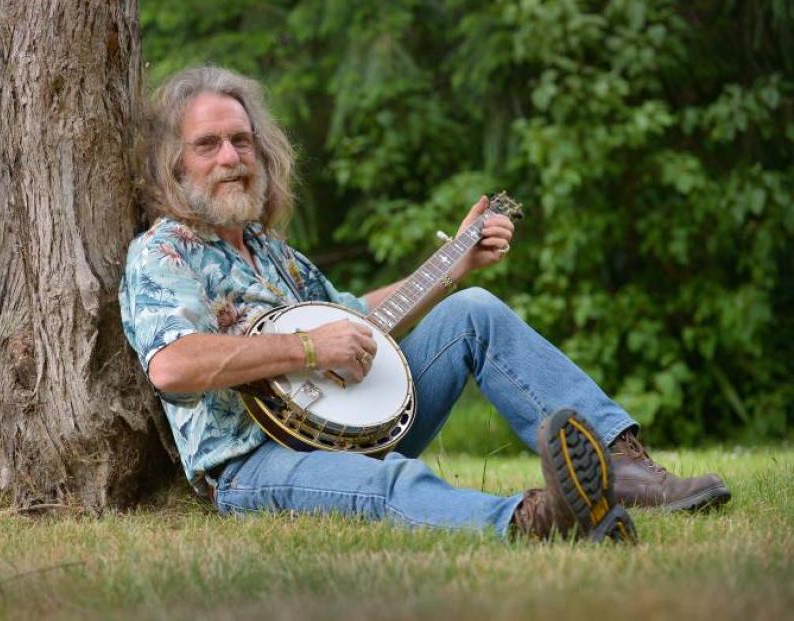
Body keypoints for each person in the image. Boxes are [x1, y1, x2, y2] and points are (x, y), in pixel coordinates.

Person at [119, 65, 730, 542]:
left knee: (476, 312)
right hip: (254, 463)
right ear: (174, 163)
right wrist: (306, 347)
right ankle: (536, 519)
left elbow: (358, 322)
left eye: (241, 141)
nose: (231, 158)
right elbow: (173, 366)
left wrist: (453, 265)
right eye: (208, 145)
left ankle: (621, 468)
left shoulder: (270, 251)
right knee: (385, 483)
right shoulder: (163, 253)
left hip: (349, 425)